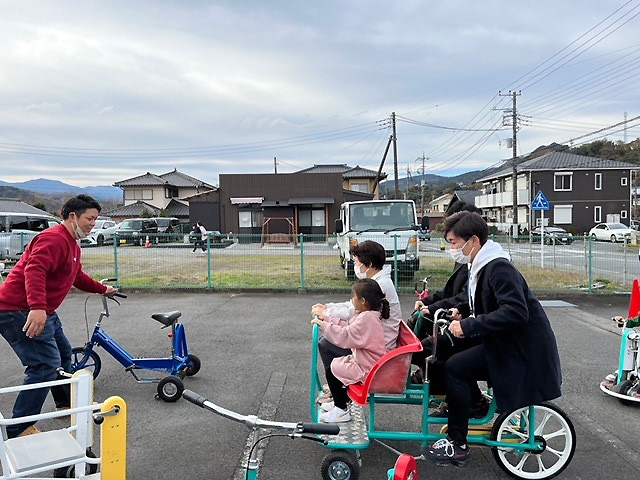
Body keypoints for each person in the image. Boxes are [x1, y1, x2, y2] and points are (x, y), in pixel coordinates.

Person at [424, 211, 562, 467]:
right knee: (442, 345)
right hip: (503, 340)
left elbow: (515, 311)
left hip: (518, 348)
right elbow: (486, 301)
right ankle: (467, 403)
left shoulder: (498, 267)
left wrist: (469, 325)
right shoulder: (482, 264)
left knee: (456, 368)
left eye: (454, 242)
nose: (451, 248)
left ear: (473, 240)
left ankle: (457, 443)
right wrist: (462, 311)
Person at [0, 195, 118, 438]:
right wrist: (37, 307)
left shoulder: (72, 245)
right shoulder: (53, 239)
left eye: (95, 220)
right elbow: (35, 270)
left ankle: (65, 404)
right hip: (16, 310)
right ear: (72, 217)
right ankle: (19, 428)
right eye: (90, 219)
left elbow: (77, 277)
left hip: (44, 311)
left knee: (64, 354)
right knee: (44, 364)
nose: (93, 224)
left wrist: (102, 289)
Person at [311, 241, 402, 404]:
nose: (356, 265)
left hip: (376, 352)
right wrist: (328, 309)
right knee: (327, 344)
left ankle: (339, 394)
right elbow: (352, 306)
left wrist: (325, 315)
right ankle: (337, 388)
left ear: (370, 264)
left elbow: (351, 311)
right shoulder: (377, 281)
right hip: (375, 344)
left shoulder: (379, 285)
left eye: (358, 262)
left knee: (326, 345)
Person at [312, 278, 388, 423]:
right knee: (336, 365)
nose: (352, 300)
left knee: (333, 369)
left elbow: (345, 335)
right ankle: (339, 403)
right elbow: (348, 325)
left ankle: (341, 410)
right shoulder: (368, 314)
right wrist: (327, 319)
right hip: (366, 362)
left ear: (363, 300)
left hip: (367, 369)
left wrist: (323, 325)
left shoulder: (367, 318)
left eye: (354, 297)